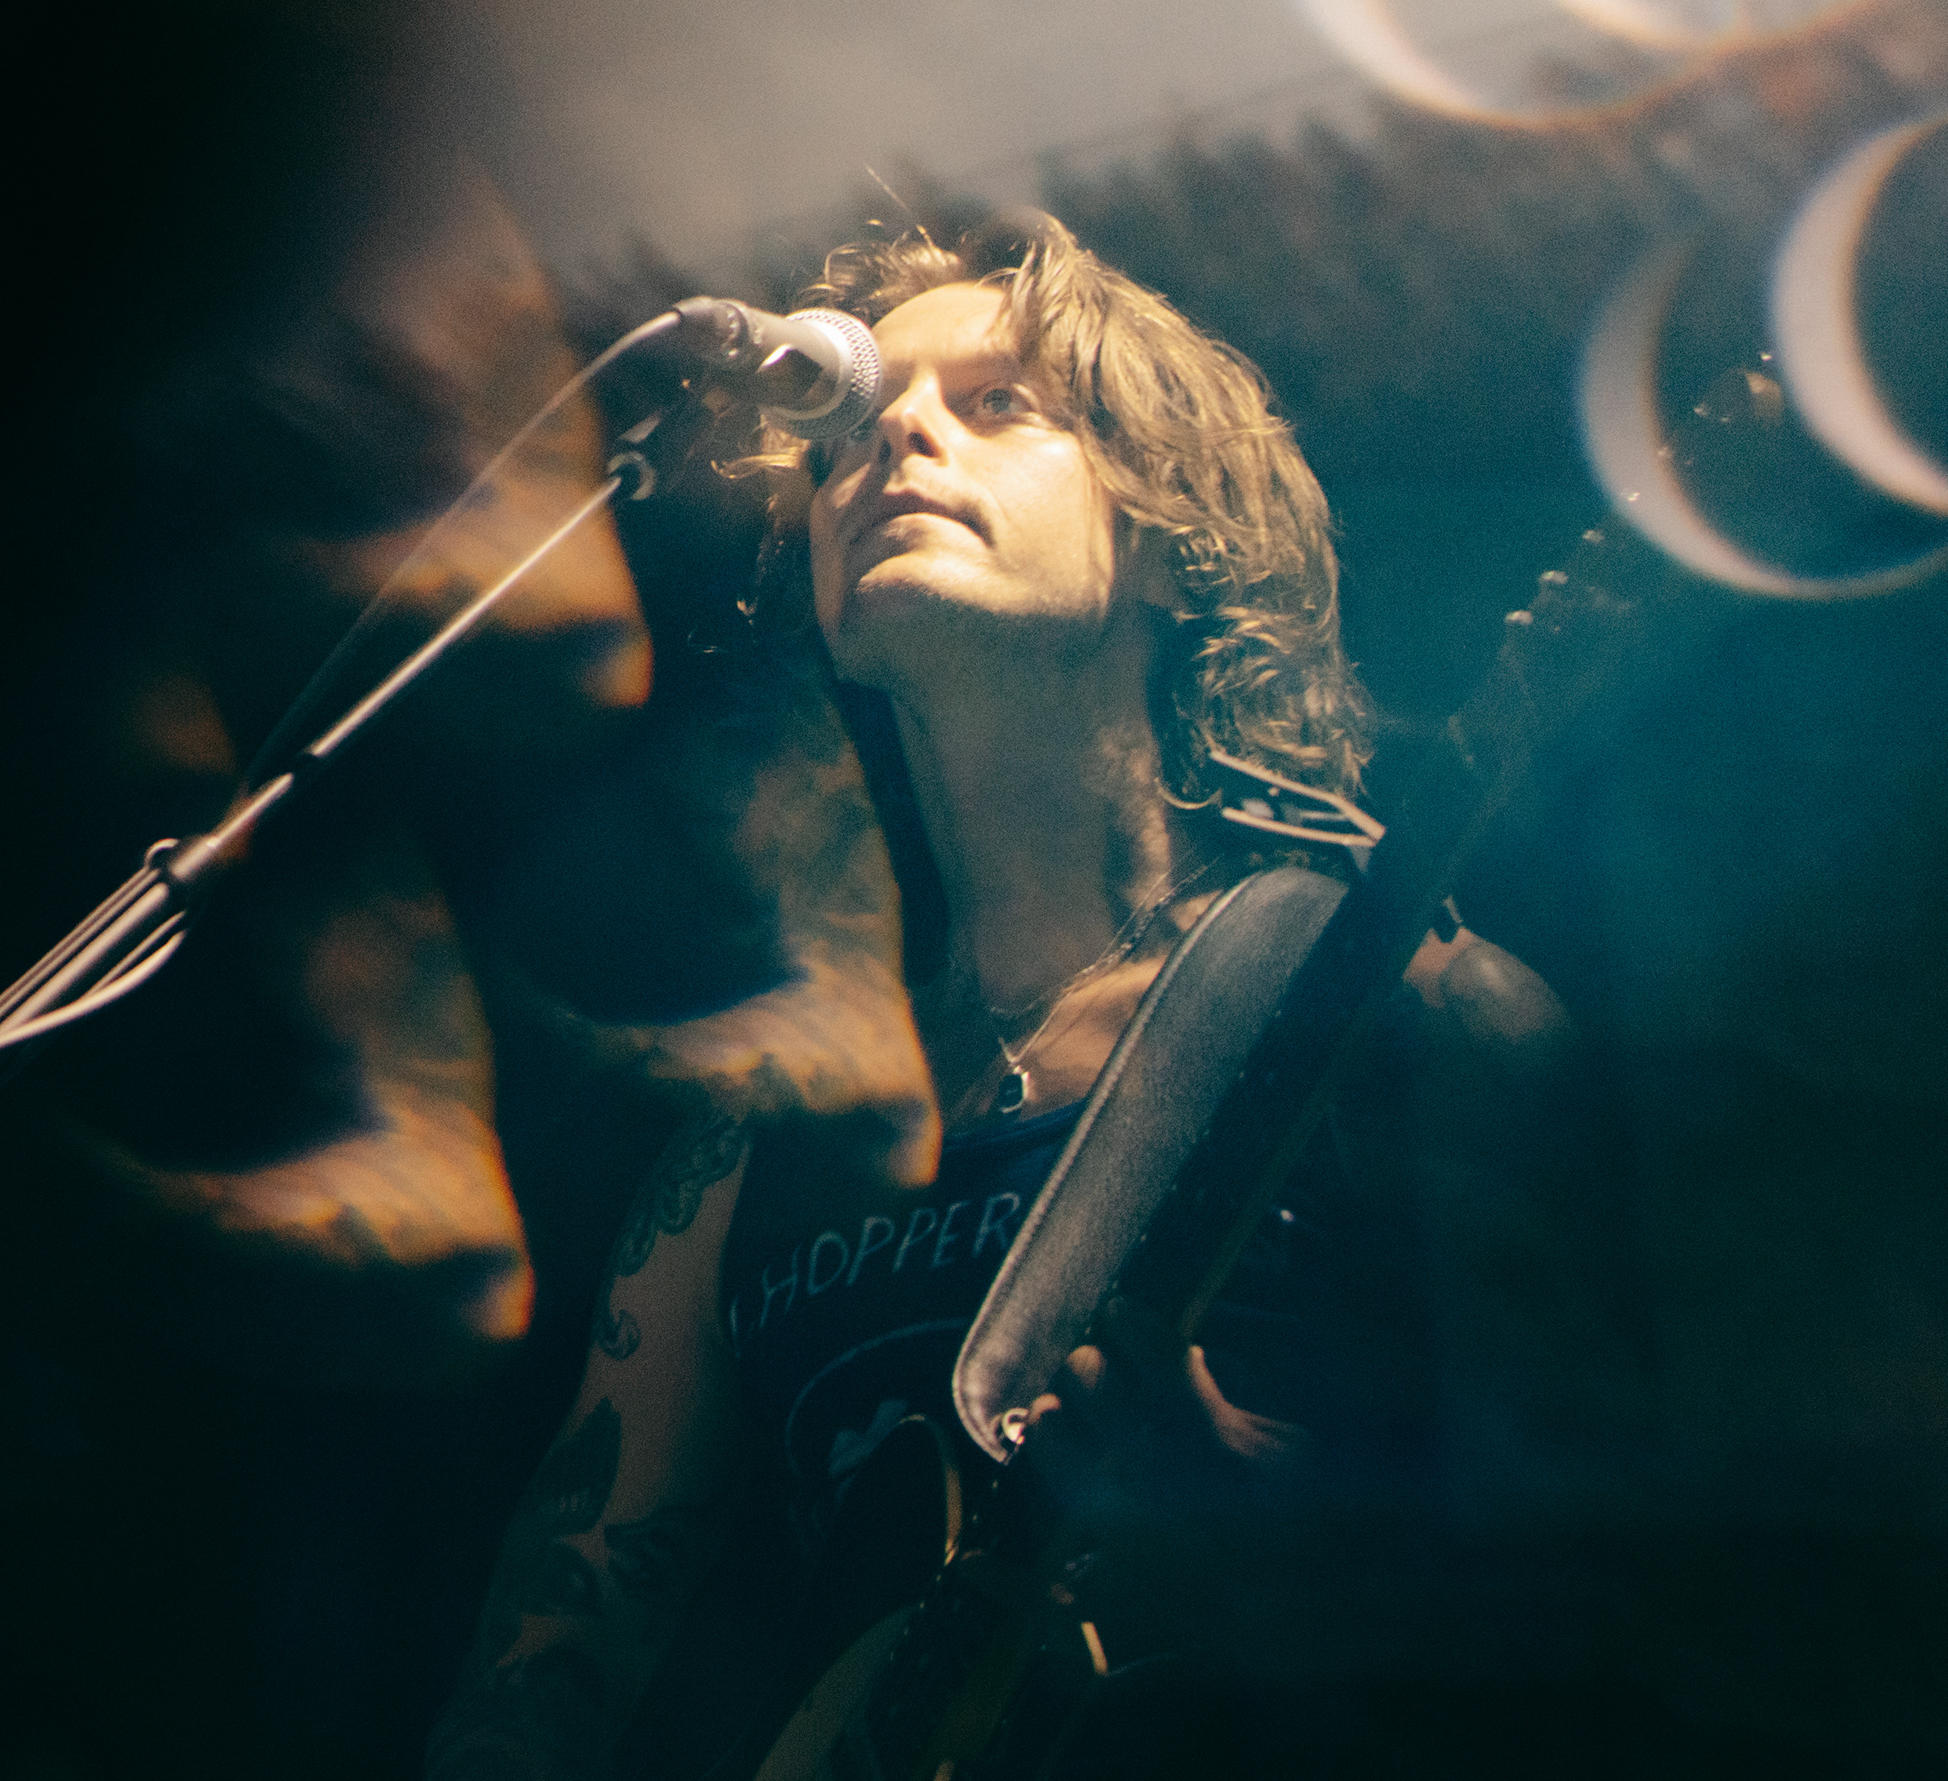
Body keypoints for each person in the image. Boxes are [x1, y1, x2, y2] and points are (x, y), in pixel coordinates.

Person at [427, 213, 1600, 1779]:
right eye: (849, 431)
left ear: (1172, 537)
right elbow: (551, 1657)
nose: (895, 434)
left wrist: (1275, 1550)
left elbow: (1629, 1627)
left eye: (997, 403)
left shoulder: (1410, 1015)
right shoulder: (758, 1152)